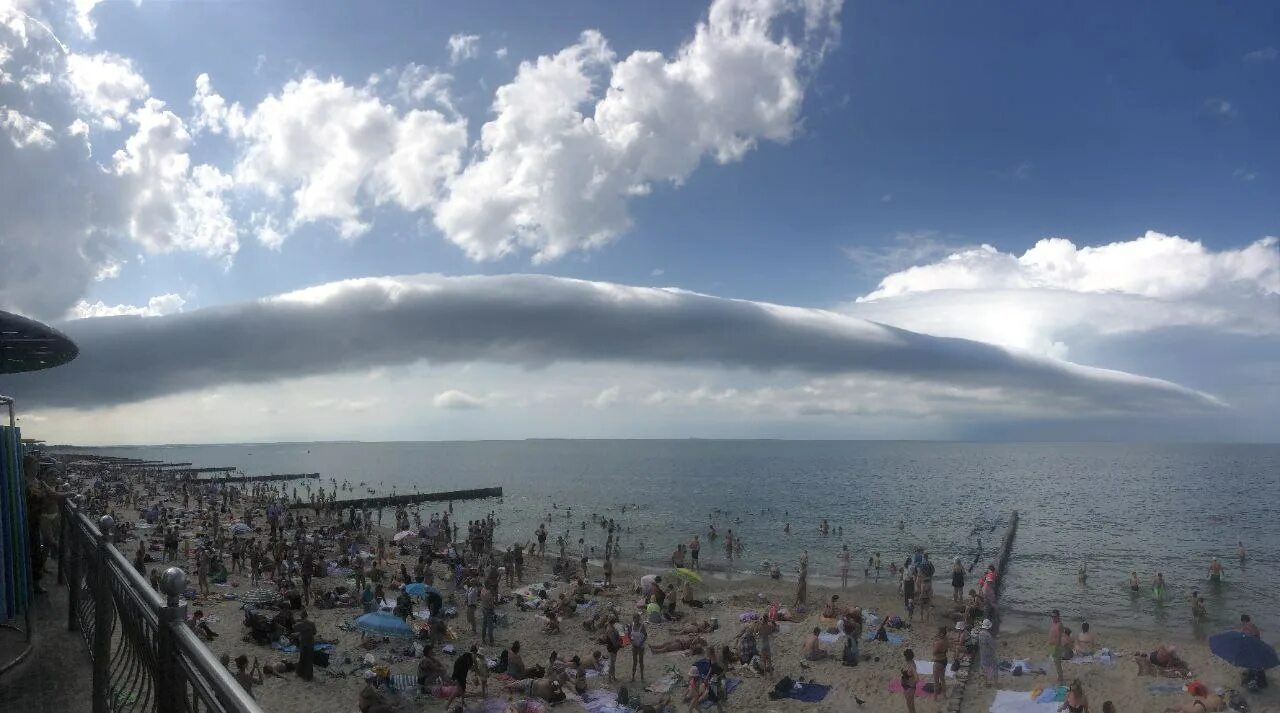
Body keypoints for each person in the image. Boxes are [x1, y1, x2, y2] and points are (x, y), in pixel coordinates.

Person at [447, 643, 475, 709]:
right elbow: (470, 668)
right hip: (460, 676)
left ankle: (462, 702)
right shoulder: (468, 659)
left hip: (459, 675)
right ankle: (447, 705)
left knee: (462, 690)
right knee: (456, 692)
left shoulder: (465, 657)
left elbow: (468, 668)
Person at [294, 609, 317, 681]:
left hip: (303, 643)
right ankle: (308, 676)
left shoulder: (299, 625)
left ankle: (301, 673)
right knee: (309, 660)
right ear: (307, 615)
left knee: (302, 658)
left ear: (301, 616)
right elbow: (314, 632)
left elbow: (294, 629)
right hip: (310, 643)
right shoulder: (312, 623)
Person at [629, 613, 648, 682]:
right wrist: (631, 641)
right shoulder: (631, 625)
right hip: (634, 646)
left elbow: (645, 636)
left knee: (641, 661)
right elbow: (629, 634)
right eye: (635, 620)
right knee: (634, 662)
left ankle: (642, 676)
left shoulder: (642, 626)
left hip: (640, 646)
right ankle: (633, 677)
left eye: (637, 620)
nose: (636, 621)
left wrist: (641, 643)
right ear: (633, 619)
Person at [977, 619, 997, 684]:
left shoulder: (980, 633)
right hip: (989, 653)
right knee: (990, 668)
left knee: (984, 667)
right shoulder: (988, 635)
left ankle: (986, 681)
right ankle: (989, 682)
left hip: (982, 652)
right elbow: (992, 645)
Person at [931, 626, 948, 697]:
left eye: (938, 633)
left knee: (936, 681)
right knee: (942, 679)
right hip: (944, 660)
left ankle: (935, 697)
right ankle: (944, 695)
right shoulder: (946, 640)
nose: (937, 634)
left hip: (938, 661)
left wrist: (934, 644)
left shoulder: (938, 643)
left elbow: (933, 653)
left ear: (941, 634)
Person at [1049, 609, 1065, 684]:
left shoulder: (1060, 625)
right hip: (1052, 645)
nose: (1053, 618)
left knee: (1057, 662)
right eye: (1052, 616)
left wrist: (1056, 647)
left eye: (1054, 616)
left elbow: (1059, 637)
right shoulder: (1052, 623)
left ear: (1058, 616)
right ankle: (1059, 676)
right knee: (1055, 662)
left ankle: (1060, 677)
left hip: (1057, 646)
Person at [900, 649, 918, 713]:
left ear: (906, 657)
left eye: (904, 656)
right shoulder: (909, 662)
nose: (904, 657)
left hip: (909, 687)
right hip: (906, 686)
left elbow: (917, 679)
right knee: (909, 703)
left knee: (910, 704)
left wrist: (911, 687)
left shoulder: (911, 666)